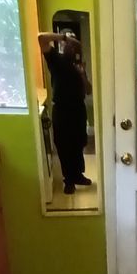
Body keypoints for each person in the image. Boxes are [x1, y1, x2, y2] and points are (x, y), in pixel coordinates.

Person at [38, 30, 92, 194]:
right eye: (66, 42)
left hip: (78, 109)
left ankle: (77, 175)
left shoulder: (78, 64)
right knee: (64, 145)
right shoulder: (55, 59)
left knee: (78, 143)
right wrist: (63, 37)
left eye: (72, 41)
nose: (69, 45)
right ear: (61, 44)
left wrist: (83, 75)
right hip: (62, 109)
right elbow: (41, 38)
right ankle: (68, 180)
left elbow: (88, 91)